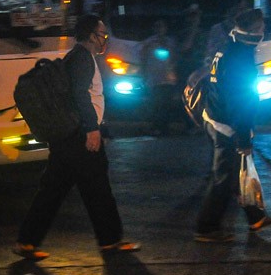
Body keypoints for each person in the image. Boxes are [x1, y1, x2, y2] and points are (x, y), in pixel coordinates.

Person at [13, 15, 140, 260]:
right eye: (102, 34)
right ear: (92, 35)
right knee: (98, 189)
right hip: (80, 136)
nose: (105, 39)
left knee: (52, 190)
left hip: (68, 138)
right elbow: (80, 96)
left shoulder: (77, 57)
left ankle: (26, 242)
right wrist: (93, 129)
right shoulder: (82, 58)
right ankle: (111, 241)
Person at [195, 8, 271, 242]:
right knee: (223, 178)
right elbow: (239, 102)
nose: (263, 33)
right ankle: (206, 228)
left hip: (215, 118)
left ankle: (255, 217)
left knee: (237, 173)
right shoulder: (240, 58)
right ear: (252, 31)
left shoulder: (227, 48)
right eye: (261, 29)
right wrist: (243, 138)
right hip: (226, 126)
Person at [139, 19, 179, 135]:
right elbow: (143, 59)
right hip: (154, 78)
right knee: (156, 104)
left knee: (166, 104)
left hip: (168, 78)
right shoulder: (148, 43)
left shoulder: (170, 42)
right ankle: (157, 127)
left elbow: (174, 58)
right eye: (157, 27)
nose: (160, 29)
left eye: (162, 27)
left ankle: (164, 127)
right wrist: (144, 75)